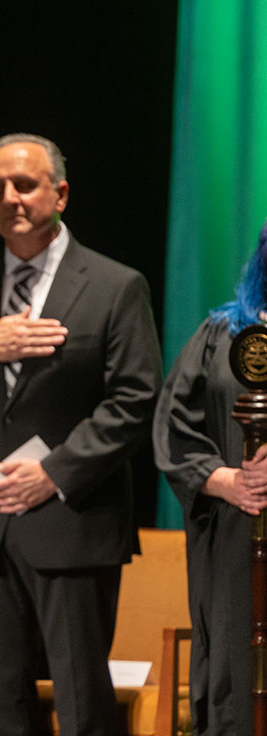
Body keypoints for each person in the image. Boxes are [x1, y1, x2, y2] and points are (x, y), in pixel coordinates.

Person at [0, 133, 161, 736]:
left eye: (25, 185)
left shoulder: (115, 285)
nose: (11, 198)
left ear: (60, 193)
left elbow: (137, 398)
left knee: (82, 702)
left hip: (73, 517)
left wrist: (54, 471)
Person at [154, 223, 267, 735]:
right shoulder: (223, 335)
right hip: (237, 545)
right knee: (237, 687)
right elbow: (172, 427)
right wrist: (227, 480)